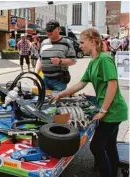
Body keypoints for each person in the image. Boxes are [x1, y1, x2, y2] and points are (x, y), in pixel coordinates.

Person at [50, 28, 128, 177]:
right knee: (110, 145)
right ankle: (114, 172)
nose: (80, 46)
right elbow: (80, 83)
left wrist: (103, 110)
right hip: (111, 110)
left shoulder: (104, 59)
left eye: (82, 42)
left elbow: (113, 85)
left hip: (113, 110)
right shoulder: (93, 61)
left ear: (92, 42)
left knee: (96, 147)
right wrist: (60, 94)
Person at [35, 20, 76, 91]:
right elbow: (40, 59)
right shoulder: (44, 42)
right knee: (44, 101)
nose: (49, 32)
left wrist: (60, 61)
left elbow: (73, 61)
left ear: (58, 29)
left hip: (59, 81)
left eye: (51, 30)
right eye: (47, 30)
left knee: (57, 101)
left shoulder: (67, 42)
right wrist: (36, 75)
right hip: (45, 80)